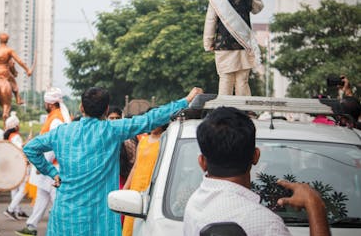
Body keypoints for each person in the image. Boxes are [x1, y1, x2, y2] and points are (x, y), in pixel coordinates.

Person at [23, 86, 203, 236]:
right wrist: (185, 100)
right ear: (107, 109)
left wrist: (53, 173)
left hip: (65, 217)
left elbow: (30, 148)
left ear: (81, 107)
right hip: (100, 220)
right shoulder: (111, 130)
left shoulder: (61, 132)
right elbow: (149, 120)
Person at [183, 106, 330, 236]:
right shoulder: (267, 225)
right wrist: (315, 205)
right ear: (256, 156)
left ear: (202, 162)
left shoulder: (194, 204)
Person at [203, 0, 264, 96]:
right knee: (242, 81)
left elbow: (210, 22)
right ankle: (245, 111)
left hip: (223, 47)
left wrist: (208, 44)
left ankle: (224, 111)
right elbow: (258, 8)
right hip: (244, 45)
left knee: (225, 79)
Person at [17, 87, 72, 236]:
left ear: (51, 104)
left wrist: (43, 165)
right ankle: (31, 226)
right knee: (42, 197)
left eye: (45, 103)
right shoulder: (54, 117)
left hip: (53, 167)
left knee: (57, 201)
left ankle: (67, 229)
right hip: (50, 166)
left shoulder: (56, 119)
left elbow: (53, 146)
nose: (44, 105)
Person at [122, 123, 168, 236]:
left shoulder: (165, 141)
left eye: (157, 123)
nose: (153, 125)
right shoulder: (143, 141)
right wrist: (125, 188)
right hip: (136, 187)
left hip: (152, 187)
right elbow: (135, 166)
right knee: (130, 223)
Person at [0, 33, 33, 105]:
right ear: (7, 40)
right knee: (13, 82)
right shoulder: (9, 50)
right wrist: (27, 69)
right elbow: (19, 61)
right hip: (5, 72)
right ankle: (18, 98)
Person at [3, 111, 29, 220]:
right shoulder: (16, 136)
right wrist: (28, 142)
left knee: (15, 189)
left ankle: (16, 210)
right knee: (23, 189)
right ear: (16, 126)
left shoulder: (8, 136)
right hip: (19, 164)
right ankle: (11, 209)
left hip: (12, 164)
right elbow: (20, 149)